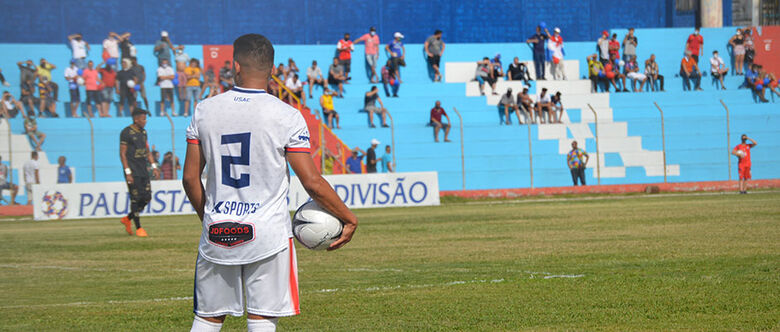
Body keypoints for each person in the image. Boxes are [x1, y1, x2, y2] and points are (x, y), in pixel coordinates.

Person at [182, 34, 357, 332]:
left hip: (218, 230)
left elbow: (189, 178)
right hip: (268, 234)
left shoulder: (204, 110)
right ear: (273, 69)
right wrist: (349, 218)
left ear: (236, 66)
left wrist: (209, 218)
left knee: (208, 318)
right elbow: (312, 182)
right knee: (262, 318)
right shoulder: (287, 115)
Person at [119, 109, 159, 237]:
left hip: (143, 170)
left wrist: (154, 166)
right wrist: (127, 172)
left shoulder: (143, 132)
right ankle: (139, 228)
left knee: (147, 197)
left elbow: (147, 151)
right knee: (135, 199)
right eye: (143, 119)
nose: (145, 121)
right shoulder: (126, 132)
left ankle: (127, 218)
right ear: (136, 119)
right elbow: (122, 154)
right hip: (132, 171)